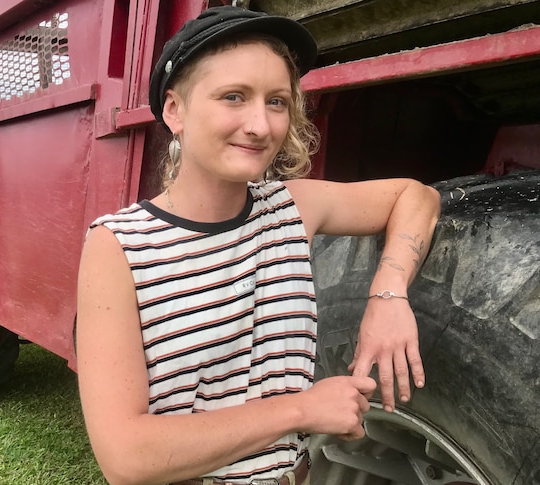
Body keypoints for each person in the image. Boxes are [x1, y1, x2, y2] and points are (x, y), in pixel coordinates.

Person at [76, 6, 440, 485]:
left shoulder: (290, 208)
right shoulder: (118, 247)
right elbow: (127, 458)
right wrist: (301, 410)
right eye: (234, 97)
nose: (261, 126)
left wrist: (388, 294)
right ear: (174, 110)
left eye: (276, 102)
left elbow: (417, 196)